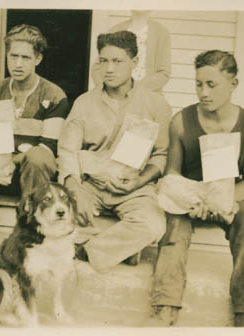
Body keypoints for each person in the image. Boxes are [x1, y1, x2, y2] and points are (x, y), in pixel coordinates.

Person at [149, 50, 244, 327]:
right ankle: (165, 306)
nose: (203, 92)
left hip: (227, 197)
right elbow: (173, 173)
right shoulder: (181, 121)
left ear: (233, 84)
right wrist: (191, 199)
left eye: (211, 85)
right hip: (189, 197)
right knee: (174, 228)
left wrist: (225, 199)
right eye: (198, 84)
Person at [58, 30, 171, 271]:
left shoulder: (155, 103)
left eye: (117, 61)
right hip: (92, 185)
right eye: (103, 60)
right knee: (58, 217)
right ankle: (123, 249)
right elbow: (68, 150)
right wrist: (74, 187)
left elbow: (161, 154)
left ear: (134, 63)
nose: (109, 69)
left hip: (133, 188)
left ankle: (89, 250)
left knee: (153, 225)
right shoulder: (84, 103)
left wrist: (139, 181)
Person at [0, 24, 70, 246]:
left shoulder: (54, 95)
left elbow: (48, 148)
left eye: (26, 57)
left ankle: (28, 221)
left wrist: (9, 162)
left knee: (37, 155)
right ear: (6, 55)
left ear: (38, 59)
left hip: (30, 178)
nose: (18, 64)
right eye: (13, 56)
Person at [91, 10, 171, 92]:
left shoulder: (161, 32)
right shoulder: (116, 29)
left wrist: (135, 91)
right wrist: (109, 90)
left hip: (146, 94)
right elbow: (97, 68)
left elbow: (163, 73)